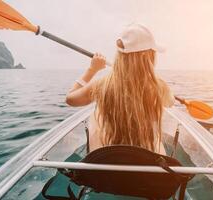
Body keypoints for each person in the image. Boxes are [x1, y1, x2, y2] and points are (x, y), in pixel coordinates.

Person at [66, 24, 175, 155]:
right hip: (147, 157)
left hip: (110, 157)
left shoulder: (101, 85)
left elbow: (70, 99)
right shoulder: (158, 86)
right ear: (148, 57)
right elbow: (170, 102)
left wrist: (92, 70)